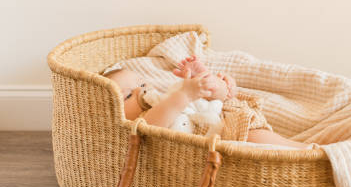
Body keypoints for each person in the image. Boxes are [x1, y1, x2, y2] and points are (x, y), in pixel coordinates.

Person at [105, 56, 311, 149]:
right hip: (222, 134)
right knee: (254, 140)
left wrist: (202, 82)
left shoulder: (166, 96)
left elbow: (206, 105)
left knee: (253, 135)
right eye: (128, 96)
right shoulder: (144, 121)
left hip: (228, 120)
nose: (140, 90)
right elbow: (152, 126)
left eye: (141, 83)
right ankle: (303, 150)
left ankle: (304, 150)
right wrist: (185, 94)